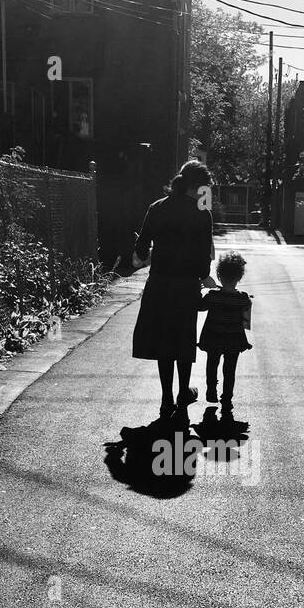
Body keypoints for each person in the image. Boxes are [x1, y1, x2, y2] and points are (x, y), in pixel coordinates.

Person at [131, 161, 214, 423]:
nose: (207, 194)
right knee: (182, 341)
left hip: (159, 285)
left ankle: (166, 397)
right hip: (186, 286)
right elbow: (203, 261)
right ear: (196, 187)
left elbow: (141, 249)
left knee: (164, 342)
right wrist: (204, 278)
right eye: (205, 189)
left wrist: (151, 255)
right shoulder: (202, 214)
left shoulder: (157, 207)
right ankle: (182, 394)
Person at [198, 251, 252, 418]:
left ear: (219, 275)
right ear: (239, 277)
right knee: (230, 369)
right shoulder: (243, 299)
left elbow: (200, 307)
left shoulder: (213, 296)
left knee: (212, 363)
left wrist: (199, 289)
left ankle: (211, 389)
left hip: (213, 336)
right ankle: (226, 397)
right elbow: (246, 322)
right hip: (234, 339)